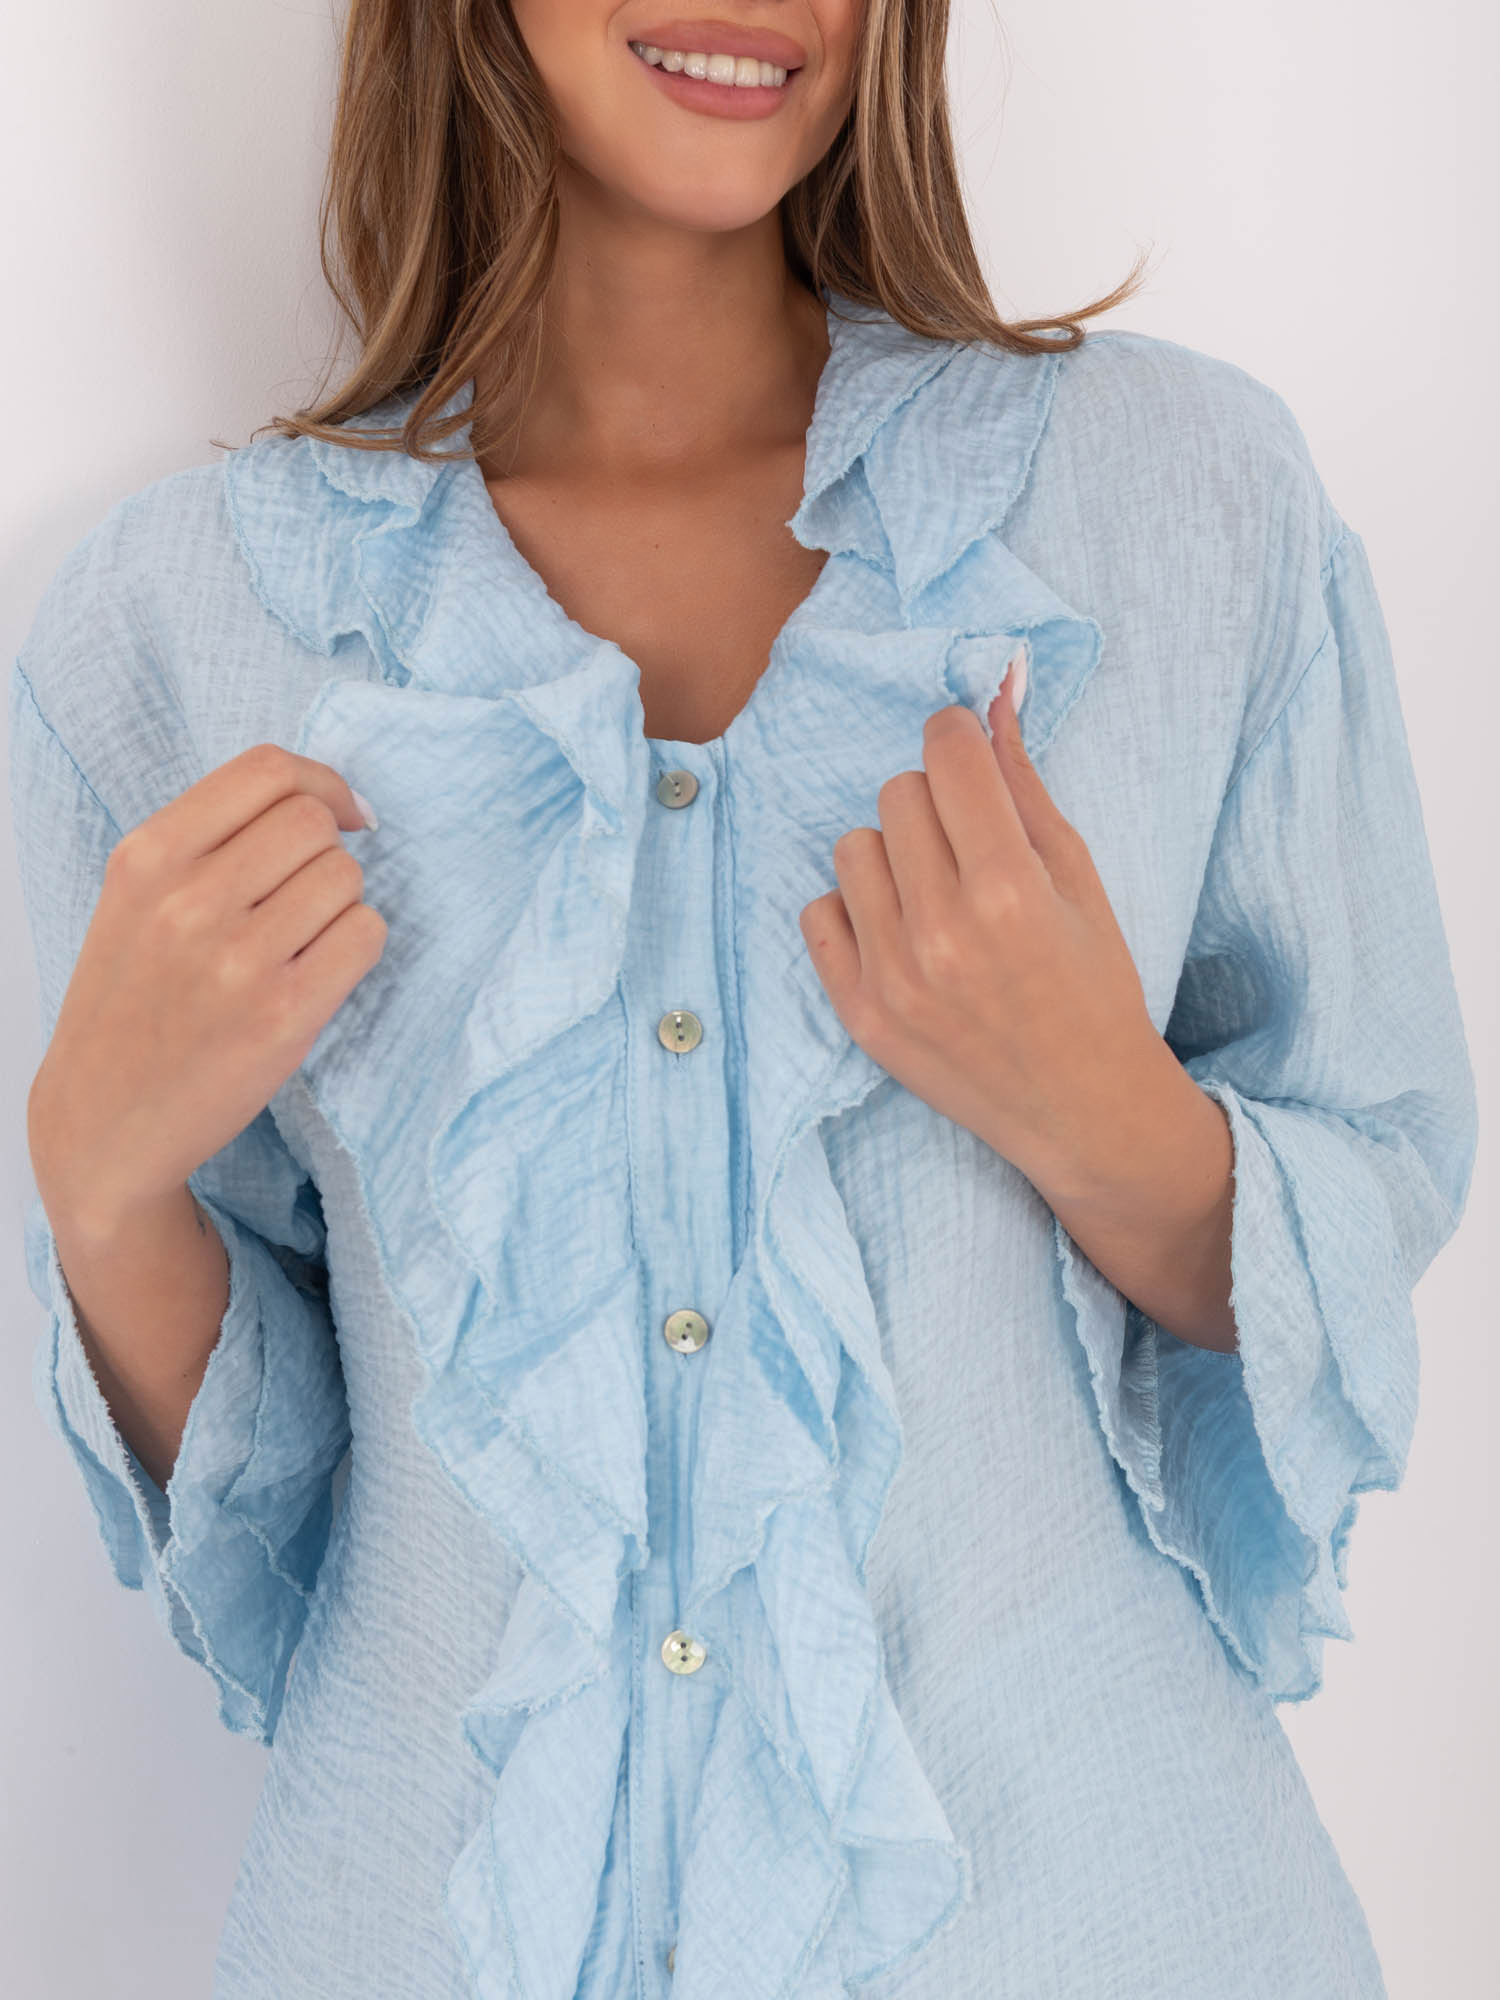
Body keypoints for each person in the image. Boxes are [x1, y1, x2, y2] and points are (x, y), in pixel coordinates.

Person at [10, 3, 1478, 1997]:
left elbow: (1376, 1181)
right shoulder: (169, 624)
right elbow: (281, 1528)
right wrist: (102, 1192)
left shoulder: (1186, 499)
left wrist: (1107, 1120)